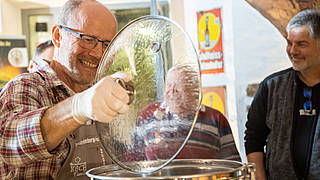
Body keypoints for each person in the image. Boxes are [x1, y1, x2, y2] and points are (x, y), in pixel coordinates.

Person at [0, 0, 132, 179]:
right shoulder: (26, 86)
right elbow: (9, 145)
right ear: (57, 36)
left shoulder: (105, 93)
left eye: (107, 44)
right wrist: (78, 107)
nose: (98, 54)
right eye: (88, 39)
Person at [245, 10, 320, 180]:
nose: (292, 51)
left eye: (301, 44)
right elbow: (253, 138)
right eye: (289, 43)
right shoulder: (271, 87)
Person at [134, 65, 241, 161]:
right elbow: (135, 158)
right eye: (169, 84)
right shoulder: (148, 116)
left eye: (178, 85)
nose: (172, 90)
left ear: (193, 90)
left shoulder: (215, 119)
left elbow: (231, 162)